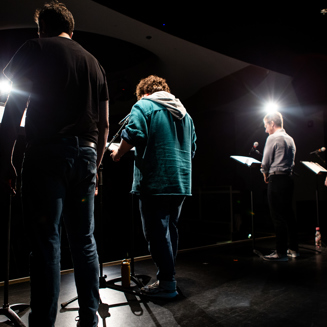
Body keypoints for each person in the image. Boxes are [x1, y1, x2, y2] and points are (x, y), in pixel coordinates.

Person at [0, 1, 109, 326]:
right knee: (84, 240)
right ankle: (89, 317)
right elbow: (103, 125)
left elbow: (15, 106)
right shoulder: (94, 62)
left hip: (47, 154)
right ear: (71, 29)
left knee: (47, 241)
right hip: (87, 156)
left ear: (42, 28)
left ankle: (44, 323)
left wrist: (5, 159)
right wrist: (96, 167)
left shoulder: (35, 47)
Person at [110, 75, 196, 298]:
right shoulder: (185, 115)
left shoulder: (144, 105)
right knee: (170, 231)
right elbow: (192, 149)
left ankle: (167, 283)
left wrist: (118, 153)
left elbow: (134, 135)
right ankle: (168, 277)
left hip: (155, 181)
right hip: (181, 181)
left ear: (144, 93)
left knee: (156, 234)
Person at [260, 111, 298, 261]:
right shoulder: (290, 139)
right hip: (289, 179)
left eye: (266, 126)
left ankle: (280, 252)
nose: (265, 130)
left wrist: (264, 172)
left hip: (276, 179)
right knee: (289, 215)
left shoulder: (272, 138)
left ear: (272, 124)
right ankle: (294, 249)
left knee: (277, 216)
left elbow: (266, 161)